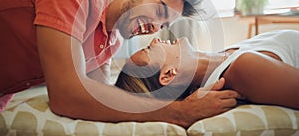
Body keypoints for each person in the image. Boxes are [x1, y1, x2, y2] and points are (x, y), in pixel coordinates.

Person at [0, 0, 240, 128]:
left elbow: (103, 101)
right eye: (159, 10)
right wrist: (178, 112)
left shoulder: (109, 43)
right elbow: (68, 96)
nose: (155, 27)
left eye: (164, 25)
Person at [115, 29, 299, 110]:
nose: (154, 40)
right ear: (168, 74)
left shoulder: (225, 57)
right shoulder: (242, 69)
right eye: (149, 49)